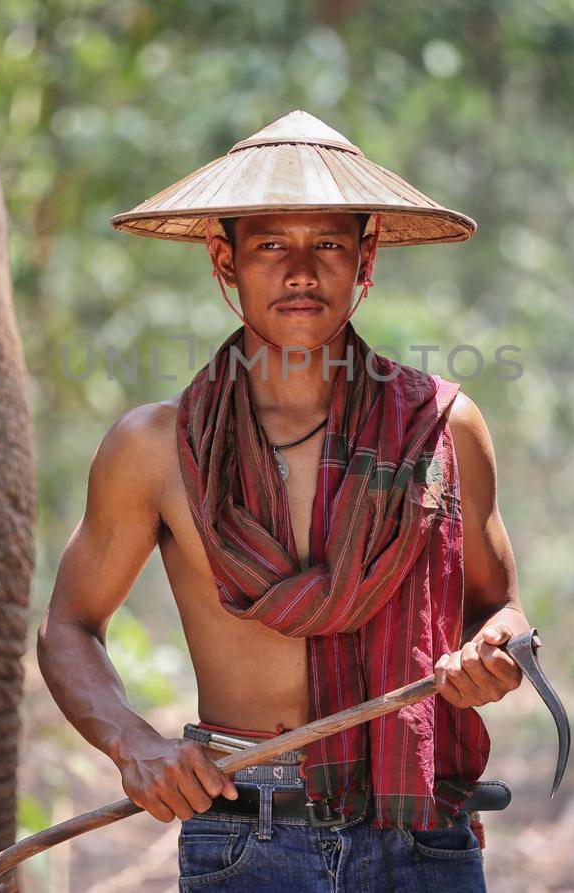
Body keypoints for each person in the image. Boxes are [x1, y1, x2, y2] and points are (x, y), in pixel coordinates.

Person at [36, 111, 530, 891]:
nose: (301, 270)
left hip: (421, 830)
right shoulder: (154, 447)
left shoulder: (441, 425)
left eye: (328, 244)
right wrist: (133, 743)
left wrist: (494, 655)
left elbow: (498, 606)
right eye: (272, 245)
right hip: (247, 831)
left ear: (366, 258)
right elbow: (69, 625)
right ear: (223, 260)